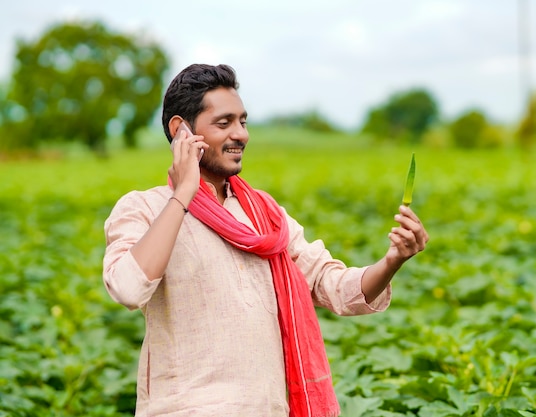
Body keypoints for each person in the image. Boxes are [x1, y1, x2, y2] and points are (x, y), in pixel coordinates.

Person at [102, 63, 429, 417]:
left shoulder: (265, 214)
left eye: (243, 121)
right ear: (182, 131)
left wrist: (393, 259)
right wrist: (183, 193)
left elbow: (330, 284)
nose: (241, 134)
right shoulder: (145, 208)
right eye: (224, 123)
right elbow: (128, 288)